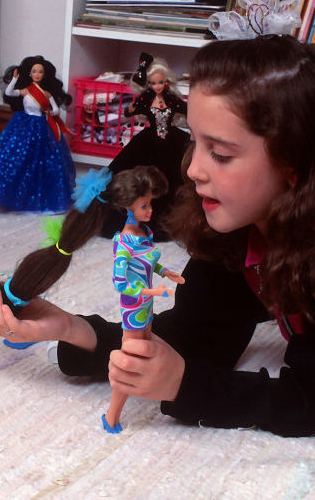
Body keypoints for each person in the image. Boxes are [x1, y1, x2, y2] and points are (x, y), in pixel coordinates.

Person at [0, 33, 315, 437]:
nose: (194, 169)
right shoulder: (243, 223)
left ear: (295, 165)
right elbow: (194, 338)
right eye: (195, 142)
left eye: (220, 154)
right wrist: (72, 330)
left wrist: (185, 385)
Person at [102, 166, 184, 434]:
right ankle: (111, 416)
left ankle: (156, 388)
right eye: (144, 205)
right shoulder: (124, 243)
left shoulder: (145, 235)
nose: (150, 211)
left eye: (150, 204)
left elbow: (148, 265)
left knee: (146, 349)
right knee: (129, 363)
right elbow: (120, 283)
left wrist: (166, 272)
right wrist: (151, 292)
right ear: (128, 207)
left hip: (147, 307)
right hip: (134, 309)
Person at [100, 53, 188, 239]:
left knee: (176, 177)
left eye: (160, 82)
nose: (157, 87)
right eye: (152, 84)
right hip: (148, 141)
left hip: (172, 141)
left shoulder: (173, 101)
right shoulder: (147, 102)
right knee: (132, 176)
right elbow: (129, 111)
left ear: (167, 83)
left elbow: (188, 111)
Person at [0, 56, 75, 213]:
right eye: (34, 71)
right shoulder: (26, 90)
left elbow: (55, 109)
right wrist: (14, 80)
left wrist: (50, 111)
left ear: (44, 74)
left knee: (43, 160)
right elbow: (9, 92)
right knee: (16, 157)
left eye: (40, 71)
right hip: (24, 124)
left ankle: (38, 196)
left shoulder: (46, 93)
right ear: (29, 73)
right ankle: (14, 195)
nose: (37, 74)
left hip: (42, 125)